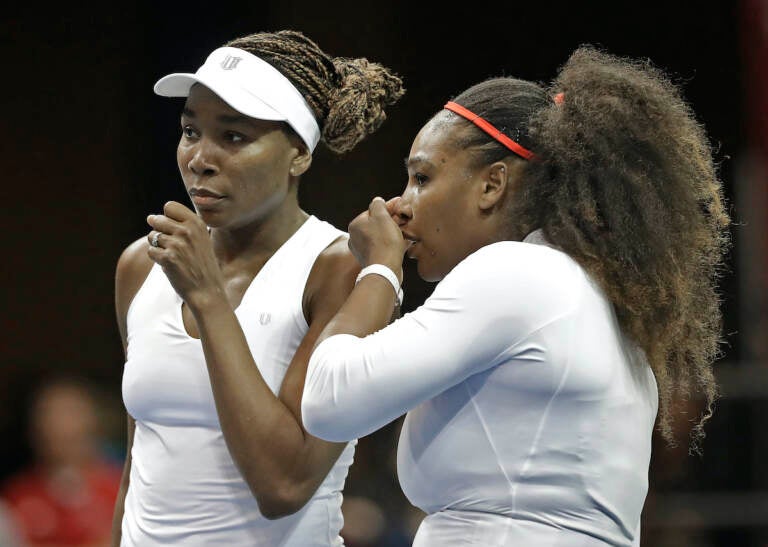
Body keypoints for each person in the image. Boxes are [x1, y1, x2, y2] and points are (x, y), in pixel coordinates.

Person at [301, 45, 731, 547]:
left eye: (422, 177)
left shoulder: (514, 273)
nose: (400, 204)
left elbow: (329, 401)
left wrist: (379, 268)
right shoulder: (591, 291)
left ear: (492, 184)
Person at [110, 29, 404, 546]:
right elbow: (138, 465)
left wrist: (207, 298)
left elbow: (283, 483)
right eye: (189, 131)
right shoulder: (141, 265)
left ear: (298, 155)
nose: (200, 157)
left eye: (234, 136)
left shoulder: (338, 271)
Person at [1, 376, 123, 547]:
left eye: (71, 413)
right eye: (49, 414)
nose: (60, 425)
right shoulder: (14, 500)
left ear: (93, 423)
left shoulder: (125, 492)